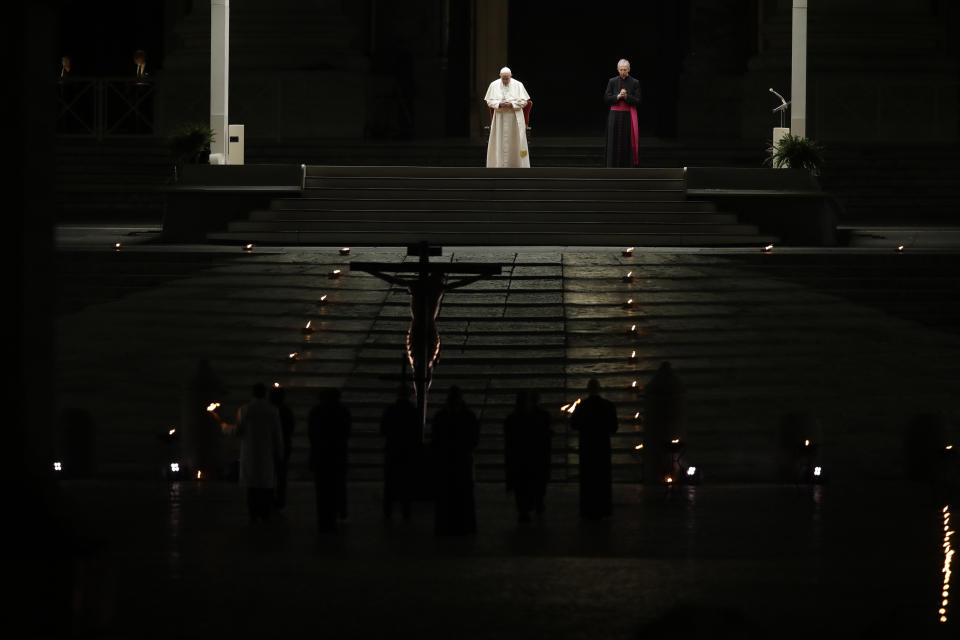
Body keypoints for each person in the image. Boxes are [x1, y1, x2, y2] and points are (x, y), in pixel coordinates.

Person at [431, 386, 480, 535]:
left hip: (449, 460)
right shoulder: (468, 417)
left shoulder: (441, 417)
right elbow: (474, 439)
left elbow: (436, 439)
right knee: (462, 496)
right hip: (460, 460)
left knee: (448, 496)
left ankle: (447, 526)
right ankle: (463, 526)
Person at [570, 378, 618, 520]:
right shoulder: (608, 406)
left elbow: (574, 425)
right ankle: (603, 509)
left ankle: (588, 509)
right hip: (602, 447)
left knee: (587, 479)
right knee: (602, 479)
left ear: (588, 389)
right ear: (599, 389)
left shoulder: (581, 406)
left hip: (587, 447)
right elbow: (614, 428)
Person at [235, 382, 283, 523]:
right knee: (265, 486)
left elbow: (238, 431)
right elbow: (278, 435)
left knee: (252, 487)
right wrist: (280, 453)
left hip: (250, 453)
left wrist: (225, 428)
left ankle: (253, 514)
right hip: (267, 453)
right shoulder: (272, 410)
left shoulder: (245, 410)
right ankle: (265, 513)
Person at [504, 390, 552, 522]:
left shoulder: (512, 419)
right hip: (533, 457)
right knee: (532, 483)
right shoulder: (538, 417)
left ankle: (524, 510)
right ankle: (534, 504)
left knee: (522, 487)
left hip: (520, 459)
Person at [308, 388, 351, 532]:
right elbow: (347, 432)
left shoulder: (316, 412)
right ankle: (337, 513)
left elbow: (311, 434)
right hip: (338, 455)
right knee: (337, 486)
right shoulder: (343, 412)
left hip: (321, 455)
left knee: (321, 489)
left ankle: (323, 517)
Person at [380, 385, 422, 519]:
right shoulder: (413, 412)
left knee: (390, 482)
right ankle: (406, 511)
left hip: (393, 449)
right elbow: (417, 432)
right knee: (406, 482)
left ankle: (388, 511)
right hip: (407, 451)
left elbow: (383, 429)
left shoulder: (391, 410)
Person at [484, 67, 531, 168]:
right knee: (499, 142)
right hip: (499, 119)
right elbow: (489, 101)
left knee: (516, 143)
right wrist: (499, 104)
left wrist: (512, 104)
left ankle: (517, 165)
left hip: (515, 118)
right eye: (503, 78)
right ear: (500, 76)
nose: (505, 80)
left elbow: (525, 102)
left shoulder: (518, 85)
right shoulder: (494, 85)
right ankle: (498, 165)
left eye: (507, 78)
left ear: (511, 76)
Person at [604, 59, 641, 168]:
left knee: (627, 142)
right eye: (621, 70)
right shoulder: (612, 81)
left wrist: (626, 97)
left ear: (629, 69)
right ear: (617, 69)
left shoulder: (635, 82)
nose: (623, 72)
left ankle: (627, 167)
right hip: (614, 116)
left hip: (628, 116)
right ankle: (611, 166)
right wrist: (618, 96)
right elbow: (606, 98)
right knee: (612, 141)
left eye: (625, 69)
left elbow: (638, 100)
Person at [269, 386, 295, 509]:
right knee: (281, 475)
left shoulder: (270, 411)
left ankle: (271, 499)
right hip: (284, 445)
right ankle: (280, 501)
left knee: (270, 474)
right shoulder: (286, 411)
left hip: (271, 446)